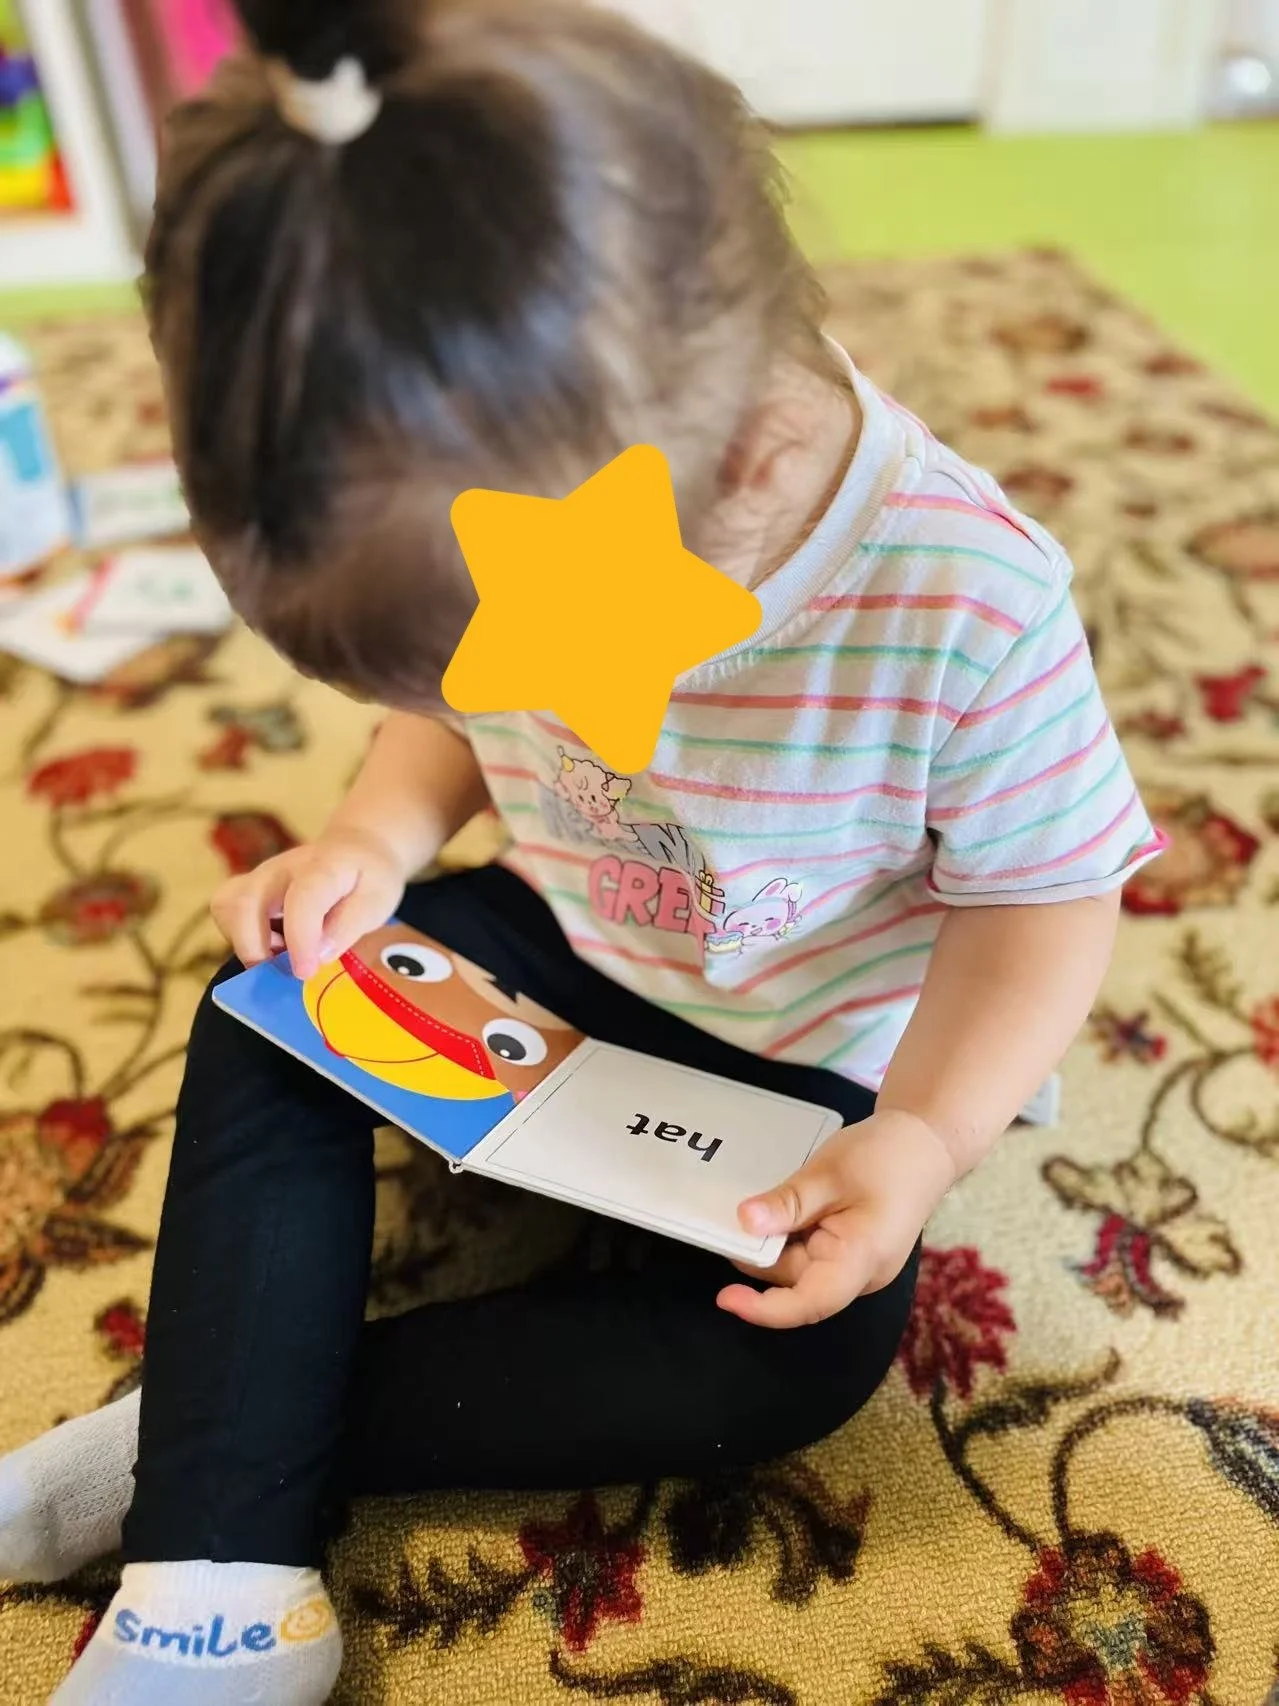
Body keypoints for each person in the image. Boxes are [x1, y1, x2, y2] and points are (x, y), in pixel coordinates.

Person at [0, 1, 1163, 1701]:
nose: (476, 695)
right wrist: (371, 836)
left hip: (814, 1050)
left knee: (802, 1359)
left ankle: (204, 1448)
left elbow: (1044, 905)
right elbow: (457, 723)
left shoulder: (967, 593)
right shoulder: (541, 463)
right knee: (268, 1004)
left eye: (493, 653)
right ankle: (220, 1562)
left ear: (733, 463)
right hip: (565, 935)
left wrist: (915, 1138)